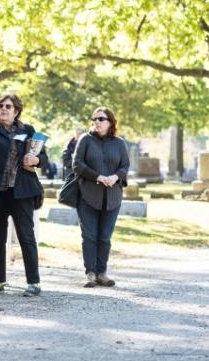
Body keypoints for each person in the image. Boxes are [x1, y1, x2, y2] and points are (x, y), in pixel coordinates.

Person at [0, 94, 48, 297]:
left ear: (16, 111)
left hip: (22, 191)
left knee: (26, 236)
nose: (4, 108)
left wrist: (35, 160)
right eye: (1, 105)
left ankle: (33, 282)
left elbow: (44, 158)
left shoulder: (28, 131)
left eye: (8, 106)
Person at [73, 107, 129, 288]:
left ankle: (102, 273)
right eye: (94, 118)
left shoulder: (119, 143)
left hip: (112, 197)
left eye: (101, 119)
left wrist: (115, 177)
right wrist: (97, 176)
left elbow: (125, 166)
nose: (96, 122)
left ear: (110, 122)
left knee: (105, 237)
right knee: (89, 236)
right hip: (88, 195)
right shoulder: (85, 140)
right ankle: (90, 273)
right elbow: (77, 164)